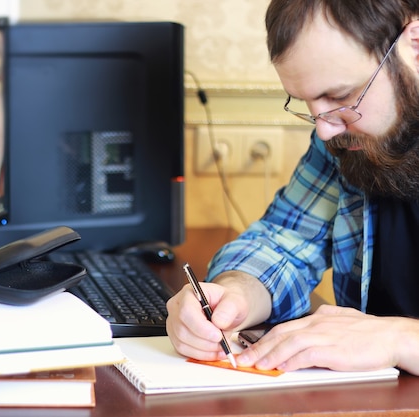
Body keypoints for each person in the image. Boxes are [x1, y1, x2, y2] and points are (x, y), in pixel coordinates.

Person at [166, 0, 419, 376]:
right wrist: (234, 294)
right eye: (308, 103)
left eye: (341, 96)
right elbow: (285, 239)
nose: (324, 129)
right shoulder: (344, 139)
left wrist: (399, 339)